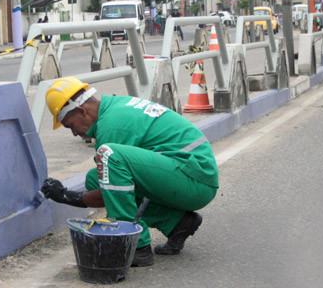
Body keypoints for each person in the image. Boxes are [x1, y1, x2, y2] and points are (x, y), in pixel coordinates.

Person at [40, 77, 219, 267]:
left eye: (70, 126)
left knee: (109, 156)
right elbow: (112, 189)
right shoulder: (114, 108)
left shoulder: (113, 125)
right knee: (96, 178)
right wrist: (72, 197)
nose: (74, 133)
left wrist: (68, 197)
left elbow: (111, 192)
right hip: (188, 174)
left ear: (81, 111)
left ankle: (136, 246)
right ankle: (176, 223)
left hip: (195, 180)